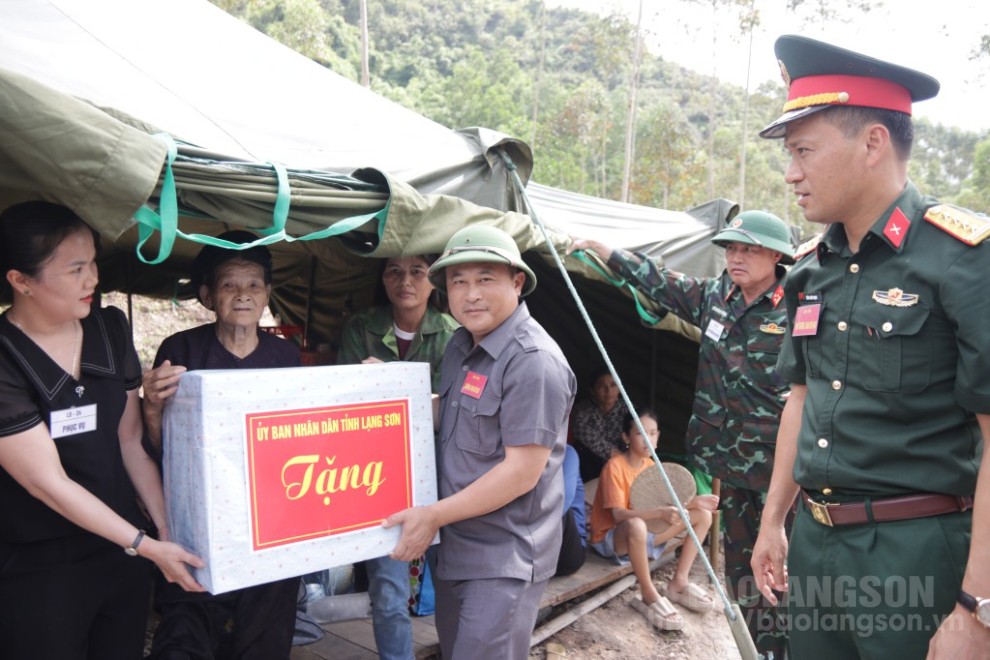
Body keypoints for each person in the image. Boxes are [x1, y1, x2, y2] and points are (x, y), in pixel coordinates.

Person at [749, 35, 990, 659]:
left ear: (873, 143)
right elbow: (799, 402)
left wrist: (976, 608)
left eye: (804, 150)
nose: (791, 172)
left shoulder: (963, 261)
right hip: (817, 544)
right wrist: (775, 521)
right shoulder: (810, 270)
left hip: (917, 550)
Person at [570, 208, 795, 656]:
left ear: (775, 255)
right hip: (728, 466)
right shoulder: (715, 296)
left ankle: (794, 643)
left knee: (788, 563)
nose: (736, 257)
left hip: (781, 469)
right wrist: (608, 253)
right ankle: (760, 647)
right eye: (731, 247)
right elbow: (660, 282)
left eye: (749, 249)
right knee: (743, 570)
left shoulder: (800, 305)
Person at [0, 201, 204, 660]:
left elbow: (128, 441)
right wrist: (145, 544)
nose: (93, 279)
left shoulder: (109, 329)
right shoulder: (6, 357)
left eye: (93, 261)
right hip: (40, 564)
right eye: (75, 269)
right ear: (21, 281)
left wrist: (165, 528)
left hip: (122, 556)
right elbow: (46, 483)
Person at [384, 225, 576, 660]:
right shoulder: (462, 345)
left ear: (517, 282)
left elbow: (521, 472)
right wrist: (382, 401)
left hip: (502, 557)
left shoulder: (533, 362)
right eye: (458, 281)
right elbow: (447, 414)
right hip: (457, 547)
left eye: (485, 279)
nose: (471, 294)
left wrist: (432, 515)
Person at [142, 230, 301, 660]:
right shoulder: (180, 349)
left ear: (268, 294)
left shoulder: (286, 357)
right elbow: (158, 450)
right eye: (230, 284)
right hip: (198, 519)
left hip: (268, 520)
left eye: (254, 285)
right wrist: (152, 410)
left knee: (263, 635)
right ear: (208, 296)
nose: (243, 295)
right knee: (188, 630)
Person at [334, 254, 458, 660]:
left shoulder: (455, 334)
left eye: (417, 271)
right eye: (394, 271)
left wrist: (389, 385)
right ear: (382, 278)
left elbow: (455, 414)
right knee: (388, 590)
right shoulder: (360, 327)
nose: (405, 281)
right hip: (377, 478)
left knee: (454, 584)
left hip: (444, 480)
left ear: (433, 280)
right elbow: (343, 402)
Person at [588, 407, 718, 631]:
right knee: (636, 524)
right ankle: (648, 593)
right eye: (640, 433)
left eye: (653, 433)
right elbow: (619, 516)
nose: (648, 439)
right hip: (612, 539)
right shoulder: (615, 467)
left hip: (642, 536)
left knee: (703, 515)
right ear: (626, 437)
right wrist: (660, 513)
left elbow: (664, 506)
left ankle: (679, 582)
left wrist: (693, 503)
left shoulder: (651, 467)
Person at [570, 367, 629, 482]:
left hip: (622, 464)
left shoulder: (628, 411)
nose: (608, 390)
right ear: (592, 390)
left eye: (613, 385)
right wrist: (612, 453)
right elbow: (583, 433)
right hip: (591, 466)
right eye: (602, 386)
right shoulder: (582, 410)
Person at [554, 443, 587, 577]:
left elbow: (562, 503)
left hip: (569, 552)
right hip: (534, 542)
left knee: (556, 506)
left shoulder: (567, 453)